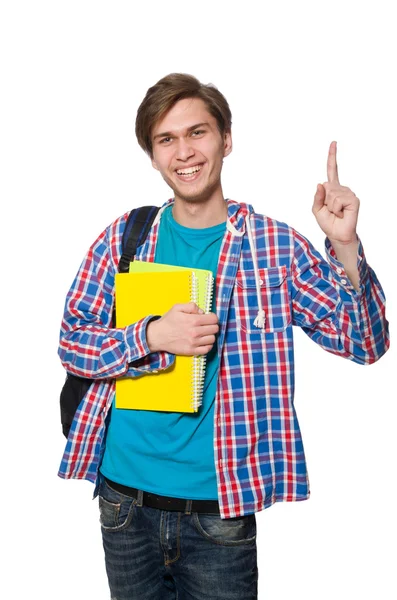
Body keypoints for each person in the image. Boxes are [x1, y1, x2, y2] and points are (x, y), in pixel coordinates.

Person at [58, 73, 389, 600]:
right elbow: (72, 342)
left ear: (226, 140)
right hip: (123, 505)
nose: (184, 152)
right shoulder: (126, 236)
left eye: (198, 133)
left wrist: (344, 246)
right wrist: (150, 336)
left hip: (220, 515)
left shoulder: (274, 247)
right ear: (152, 155)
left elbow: (365, 343)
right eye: (167, 140)